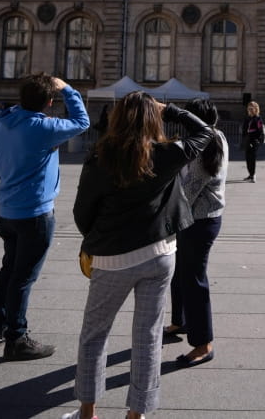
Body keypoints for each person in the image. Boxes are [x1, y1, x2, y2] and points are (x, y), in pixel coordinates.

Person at [61, 92, 213, 419]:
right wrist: (171, 110)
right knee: (147, 337)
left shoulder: (100, 157)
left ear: (117, 119)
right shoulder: (166, 153)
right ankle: (137, 414)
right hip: (159, 256)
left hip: (112, 259)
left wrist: (95, 236)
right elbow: (206, 132)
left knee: (94, 335)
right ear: (153, 119)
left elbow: (82, 211)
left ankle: (88, 413)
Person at [0, 73, 90, 360]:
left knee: (8, 270)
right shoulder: (43, 127)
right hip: (35, 212)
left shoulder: (3, 123)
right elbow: (83, 122)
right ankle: (17, 338)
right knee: (23, 278)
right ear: (49, 102)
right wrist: (69, 89)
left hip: (6, 210)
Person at [163, 98, 228, 368]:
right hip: (194, 219)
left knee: (194, 279)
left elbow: (188, 192)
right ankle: (180, 321)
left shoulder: (208, 146)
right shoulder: (216, 135)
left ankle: (203, 344)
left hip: (200, 221)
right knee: (180, 272)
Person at [242, 100, 265, 182]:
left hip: (254, 141)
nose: (250, 109)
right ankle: (250, 174)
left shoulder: (258, 118)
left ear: (256, 109)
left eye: (252, 107)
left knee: (252, 158)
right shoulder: (247, 118)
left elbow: (260, 130)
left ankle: (253, 175)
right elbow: (244, 130)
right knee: (247, 158)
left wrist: (257, 140)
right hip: (247, 140)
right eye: (249, 107)